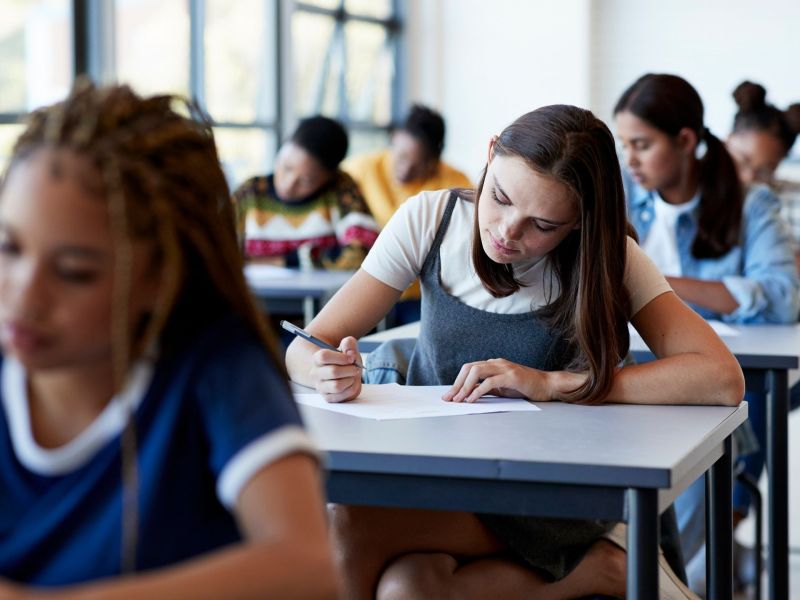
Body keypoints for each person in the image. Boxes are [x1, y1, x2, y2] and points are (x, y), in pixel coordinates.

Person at [286, 104, 744, 599]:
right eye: (500, 198)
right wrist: (323, 370)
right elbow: (305, 347)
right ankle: (601, 570)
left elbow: (720, 378)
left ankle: (601, 558)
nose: (507, 231)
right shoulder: (431, 219)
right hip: (439, 473)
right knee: (409, 589)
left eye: (542, 225)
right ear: (489, 154)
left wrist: (553, 383)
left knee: (350, 521)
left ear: (578, 222)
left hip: (550, 497)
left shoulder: (608, 256)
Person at [0, 81, 337, 598]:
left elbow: (309, 567)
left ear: (158, 278)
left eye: (73, 272)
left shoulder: (213, 367)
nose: (24, 296)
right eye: (8, 248)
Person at [614, 72, 800, 595]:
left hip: (716, 368)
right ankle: (664, 565)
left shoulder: (749, 203)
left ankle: (653, 575)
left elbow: (783, 296)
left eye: (642, 145)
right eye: (624, 143)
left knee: (725, 417)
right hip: (635, 361)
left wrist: (651, 285)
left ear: (687, 141)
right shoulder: (622, 194)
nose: (630, 158)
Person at [343, 105, 472, 325]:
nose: (405, 170)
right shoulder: (361, 170)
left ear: (435, 159)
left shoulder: (456, 184)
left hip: (420, 297)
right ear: (393, 139)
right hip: (365, 288)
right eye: (401, 157)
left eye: (418, 164)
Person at [232, 115, 378, 270]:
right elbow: (216, 247)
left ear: (330, 177)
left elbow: (364, 252)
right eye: (286, 167)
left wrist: (288, 260)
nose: (288, 185)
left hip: (323, 294)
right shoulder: (250, 193)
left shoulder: (340, 189)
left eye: (306, 181)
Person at [726, 81, 800, 268]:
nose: (749, 177)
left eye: (765, 170)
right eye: (743, 160)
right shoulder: (692, 188)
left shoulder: (791, 200)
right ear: (726, 141)